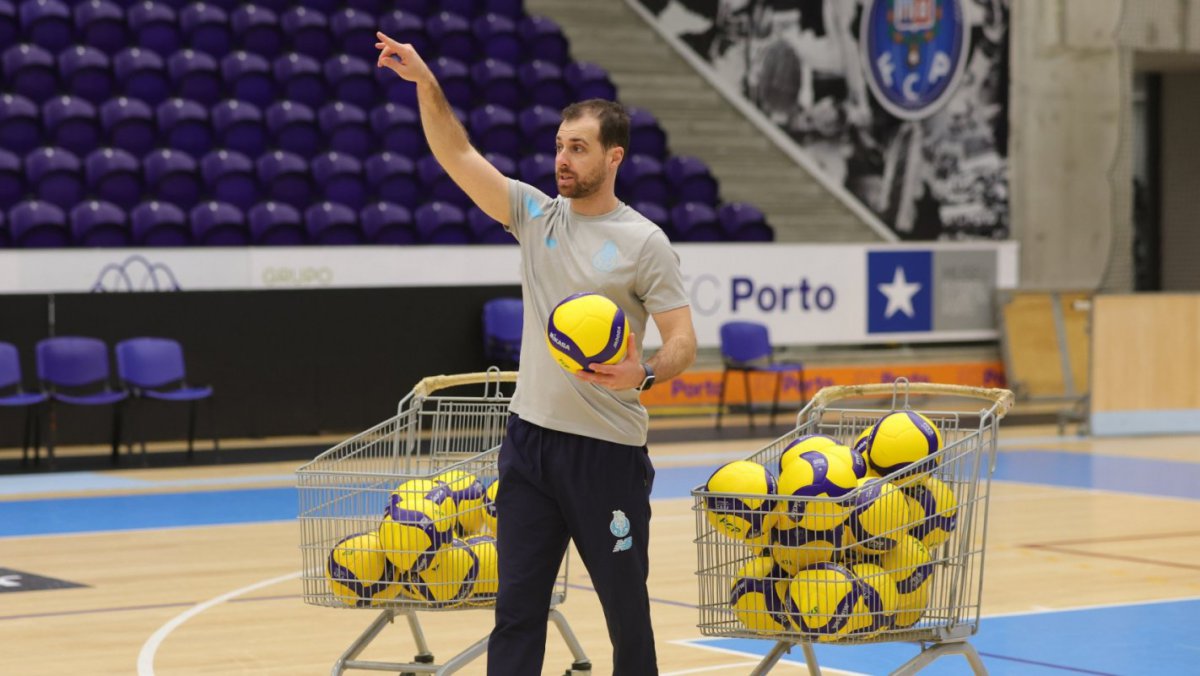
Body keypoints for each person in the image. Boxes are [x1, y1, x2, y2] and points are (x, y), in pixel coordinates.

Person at [376, 32, 698, 676]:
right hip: (529, 446)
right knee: (517, 607)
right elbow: (458, 153)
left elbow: (683, 340)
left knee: (624, 610)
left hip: (606, 454)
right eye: (558, 146)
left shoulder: (644, 243)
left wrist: (646, 370)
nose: (562, 160)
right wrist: (426, 84)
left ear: (614, 157)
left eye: (577, 149)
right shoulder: (535, 216)